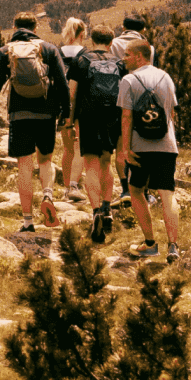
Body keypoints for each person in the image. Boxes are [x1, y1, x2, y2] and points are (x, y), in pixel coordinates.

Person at [0, 12, 69, 232]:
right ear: (35, 27)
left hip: (19, 114)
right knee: (46, 160)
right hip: (46, 114)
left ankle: (28, 220)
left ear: (14, 27)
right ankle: (48, 196)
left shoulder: (5, 52)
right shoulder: (48, 49)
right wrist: (65, 113)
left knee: (24, 165)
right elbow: (62, 84)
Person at [117, 38, 180, 260]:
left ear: (139, 56)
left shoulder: (128, 80)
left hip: (139, 147)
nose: (123, 59)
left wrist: (125, 148)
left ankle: (151, 244)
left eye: (127, 55)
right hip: (166, 144)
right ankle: (173, 246)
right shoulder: (166, 77)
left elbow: (126, 117)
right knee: (167, 194)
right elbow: (171, 113)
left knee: (136, 190)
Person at [66, 25, 124, 242]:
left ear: (92, 39)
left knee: (90, 164)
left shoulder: (81, 60)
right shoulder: (119, 63)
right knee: (106, 162)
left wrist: (70, 122)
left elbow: (72, 94)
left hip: (88, 117)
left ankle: (96, 211)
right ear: (111, 41)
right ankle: (108, 209)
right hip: (112, 116)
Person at [110, 15, 155, 203]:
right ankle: (144, 190)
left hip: (119, 95)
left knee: (121, 145)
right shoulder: (148, 47)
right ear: (143, 30)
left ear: (123, 27)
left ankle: (125, 189)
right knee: (144, 143)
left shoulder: (114, 44)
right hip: (143, 97)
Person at [56, 17, 89, 200]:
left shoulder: (58, 52)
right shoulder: (85, 54)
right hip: (80, 104)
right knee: (79, 148)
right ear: (82, 33)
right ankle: (74, 187)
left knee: (67, 148)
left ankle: (66, 187)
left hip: (62, 104)